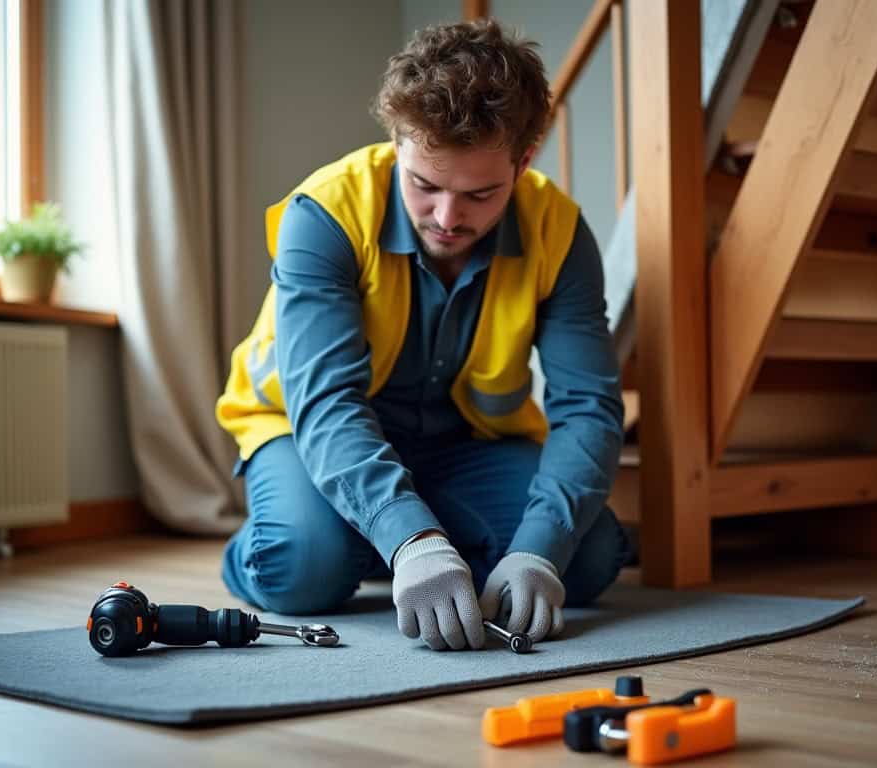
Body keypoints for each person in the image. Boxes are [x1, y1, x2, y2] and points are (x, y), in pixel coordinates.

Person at [215, 19, 627, 652]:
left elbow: (588, 407)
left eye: (480, 194)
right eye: (424, 185)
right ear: (398, 143)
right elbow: (326, 403)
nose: (447, 218)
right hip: (306, 429)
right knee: (301, 564)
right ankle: (329, 540)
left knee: (590, 556)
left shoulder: (561, 234)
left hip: (465, 444)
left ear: (523, 163)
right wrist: (412, 539)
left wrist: (539, 551)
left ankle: (392, 538)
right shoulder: (324, 214)